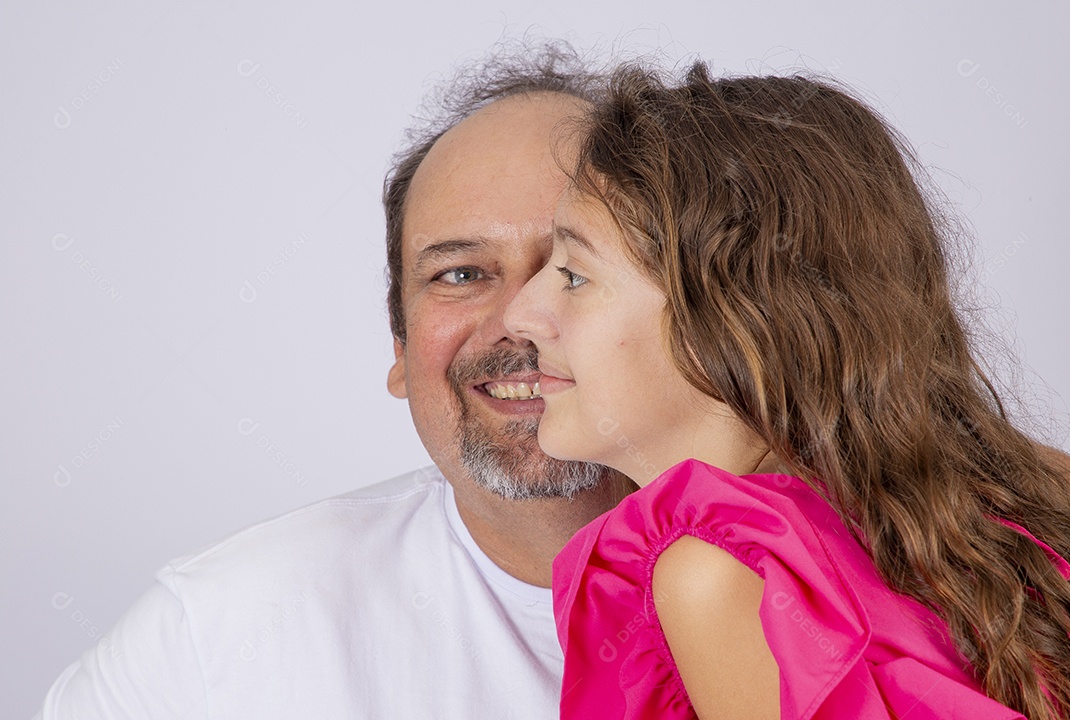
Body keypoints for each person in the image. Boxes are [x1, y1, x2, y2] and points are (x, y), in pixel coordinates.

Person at [34, 47, 633, 719]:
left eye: (572, 270)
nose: (520, 320)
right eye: (460, 274)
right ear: (400, 345)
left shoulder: (739, 582)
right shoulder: (209, 639)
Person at [505, 62, 1070, 719]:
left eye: (574, 275)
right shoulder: (1036, 489)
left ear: (734, 317)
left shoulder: (717, 574)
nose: (521, 315)